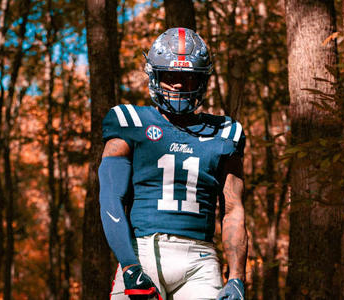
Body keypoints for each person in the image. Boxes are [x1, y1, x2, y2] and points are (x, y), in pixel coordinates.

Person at [98, 27, 247, 300]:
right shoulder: (130, 122)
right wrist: (129, 264)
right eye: (170, 76)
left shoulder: (225, 133)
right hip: (143, 251)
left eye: (188, 77)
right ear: (156, 76)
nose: (178, 84)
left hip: (200, 261)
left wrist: (237, 277)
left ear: (201, 80)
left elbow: (233, 210)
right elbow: (110, 198)